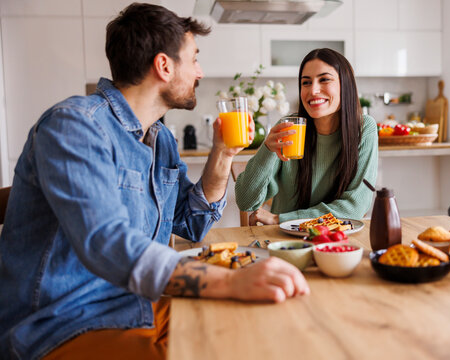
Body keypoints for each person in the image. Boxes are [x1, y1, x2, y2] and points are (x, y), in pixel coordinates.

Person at [0, 3, 309, 360]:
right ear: (164, 66)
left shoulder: (158, 138)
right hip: (62, 326)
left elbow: (192, 223)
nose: (200, 72)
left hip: (139, 307)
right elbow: (107, 244)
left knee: (263, 330)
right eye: (193, 59)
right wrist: (229, 281)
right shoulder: (74, 126)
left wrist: (223, 153)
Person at [235, 48, 378, 225]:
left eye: (324, 79)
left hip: (336, 242)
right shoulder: (288, 128)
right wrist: (267, 151)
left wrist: (281, 219)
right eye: (306, 83)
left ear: (345, 84)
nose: (313, 90)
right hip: (284, 242)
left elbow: (355, 207)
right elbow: (246, 201)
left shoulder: (363, 128)